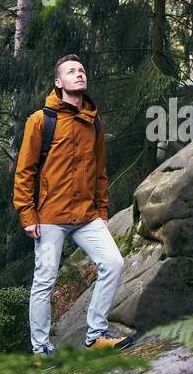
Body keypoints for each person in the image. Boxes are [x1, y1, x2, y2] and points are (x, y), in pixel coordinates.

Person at [13, 55, 130, 355]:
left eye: (81, 70)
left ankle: (95, 335)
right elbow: (25, 170)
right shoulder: (42, 120)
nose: (79, 74)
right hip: (50, 215)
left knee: (113, 263)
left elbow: (100, 172)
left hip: (87, 215)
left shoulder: (94, 122)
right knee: (45, 280)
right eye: (71, 71)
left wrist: (102, 212)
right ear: (58, 82)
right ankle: (41, 351)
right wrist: (28, 214)